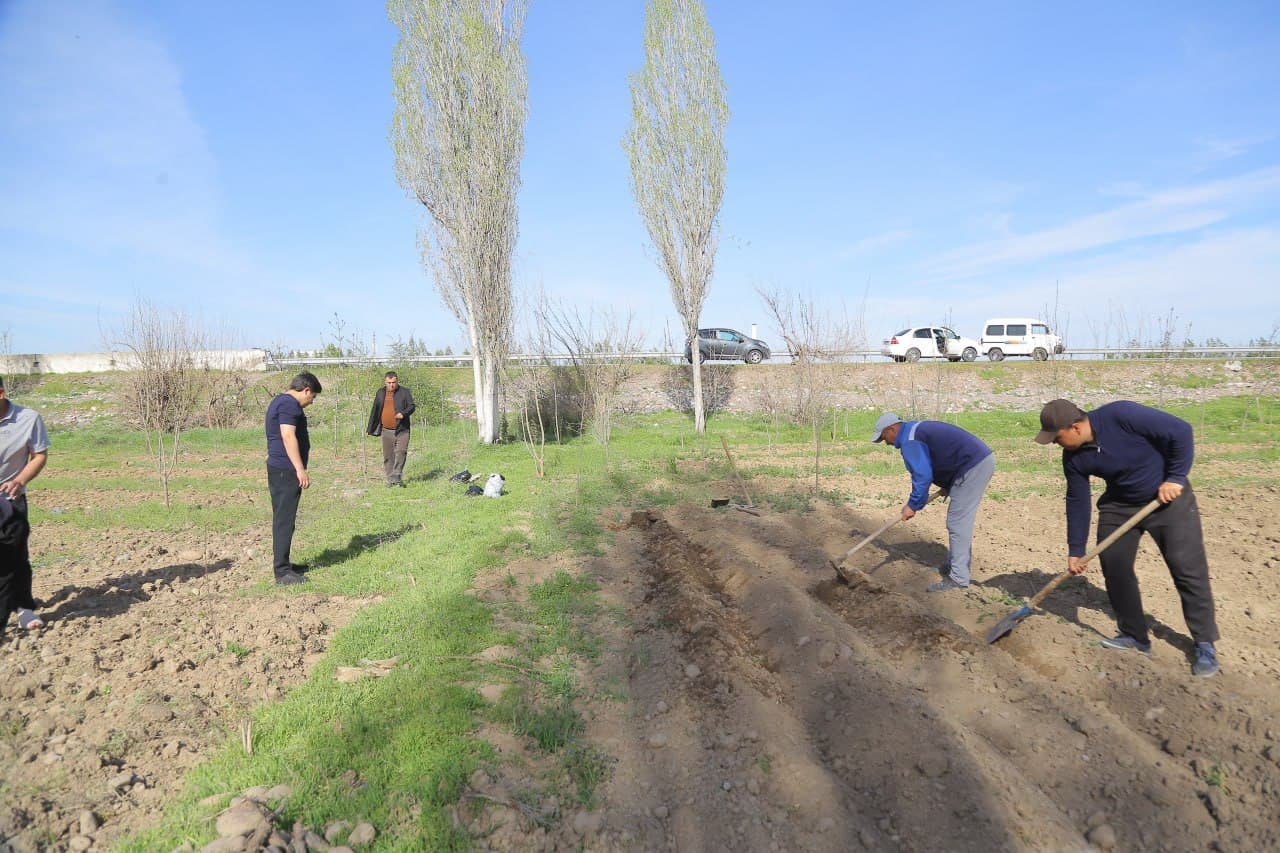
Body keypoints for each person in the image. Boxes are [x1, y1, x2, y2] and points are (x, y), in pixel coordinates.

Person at [1035, 399, 1220, 678]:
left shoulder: (1121, 415)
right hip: (1119, 506)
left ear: (1074, 428)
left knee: (1187, 569)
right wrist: (1076, 549)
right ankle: (1135, 635)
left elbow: (1181, 430)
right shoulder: (1073, 458)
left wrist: (1176, 477)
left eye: (1057, 439)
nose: (1055, 445)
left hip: (1167, 500)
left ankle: (1204, 643)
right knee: (1115, 566)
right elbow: (1077, 500)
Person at [872, 413, 996, 592]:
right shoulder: (912, 431)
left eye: (884, 438)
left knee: (957, 522)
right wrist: (948, 483)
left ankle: (959, 579)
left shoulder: (910, 440)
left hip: (973, 466)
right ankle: (954, 565)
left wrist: (913, 505)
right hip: (970, 464)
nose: (887, 443)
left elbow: (922, 475)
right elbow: (939, 454)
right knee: (956, 522)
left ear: (891, 429)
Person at [0, 375, 51, 633]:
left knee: (16, 554)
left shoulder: (28, 419)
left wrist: (19, 480)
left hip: (9, 498)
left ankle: (23, 607)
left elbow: (39, 455)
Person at [266, 372, 321, 586]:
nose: (312, 401)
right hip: (285, 470)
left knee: (285, 519)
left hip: (280, 467)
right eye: (313, 396)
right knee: (284, 520)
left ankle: (285, 564)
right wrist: (300, 469)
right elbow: (287, 436)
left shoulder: (280, 401)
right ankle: (281, 572)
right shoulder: (290, 405)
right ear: (306, 390)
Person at [365, 371, 416, 487]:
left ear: (397, 381)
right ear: (385, 381)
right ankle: (391, 480)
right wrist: (370, 428)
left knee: (401, 451)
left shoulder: (404, 392)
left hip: (402, 430)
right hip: (386, 430)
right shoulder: (380, 393)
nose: (391, 385)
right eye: (389, 382)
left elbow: (411, 406)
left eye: (394, 382)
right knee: (388, 456)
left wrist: (403, 414)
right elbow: (375, 410)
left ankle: (397, 475)